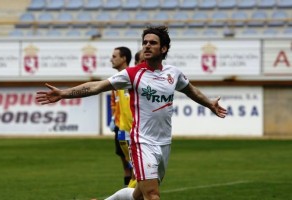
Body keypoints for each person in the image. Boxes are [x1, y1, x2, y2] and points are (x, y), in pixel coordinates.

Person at [36, 26, 227, 200]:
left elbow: (191, 90)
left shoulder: (173, 73)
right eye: (145, 42)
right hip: (141, 141)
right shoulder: (133, 74)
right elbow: (96, 86)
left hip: (164, 142)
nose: (147, 46)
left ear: (164, 49)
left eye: (153, 43)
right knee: (152, 195)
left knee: (139, 194)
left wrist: (210, 104)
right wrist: (63, 93)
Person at [109, 46, 136, 188]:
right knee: (125, 162)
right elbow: (114, 102)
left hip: (130, 128)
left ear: (124, 58)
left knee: (134, 165)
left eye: (114, 56)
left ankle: (133, 193)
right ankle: (127, 191)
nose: (111, 59)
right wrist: (114, 118)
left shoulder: (130, 78)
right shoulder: (114, 81)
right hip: (119, 128)